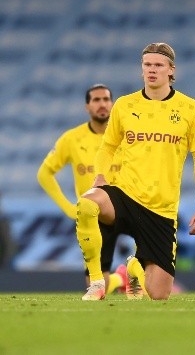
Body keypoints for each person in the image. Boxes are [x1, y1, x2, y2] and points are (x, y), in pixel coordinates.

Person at [75, 42, 195, 300]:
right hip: (124, 194)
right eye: (147, 64)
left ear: (172, 70)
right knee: (87, 203)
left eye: (158, 65)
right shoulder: (125, 105)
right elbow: (107, 147)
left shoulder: (190, 109)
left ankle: (133, 271)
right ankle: (97, 282)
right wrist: (101, 176)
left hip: (161, 210)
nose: (152, 70)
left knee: (158, 295)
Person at [37, 84, 128, 294]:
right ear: (87, 106)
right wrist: (68, 207)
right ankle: (120, 278)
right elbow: (44, 173)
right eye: (96, 100)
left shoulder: (126, 136)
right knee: (97, 289)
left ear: (112, 104)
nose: (102, 104)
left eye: (106, 99)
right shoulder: (72, 138)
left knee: (153, 274)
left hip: (127, 207)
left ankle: (134, 272)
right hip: (95, 214)